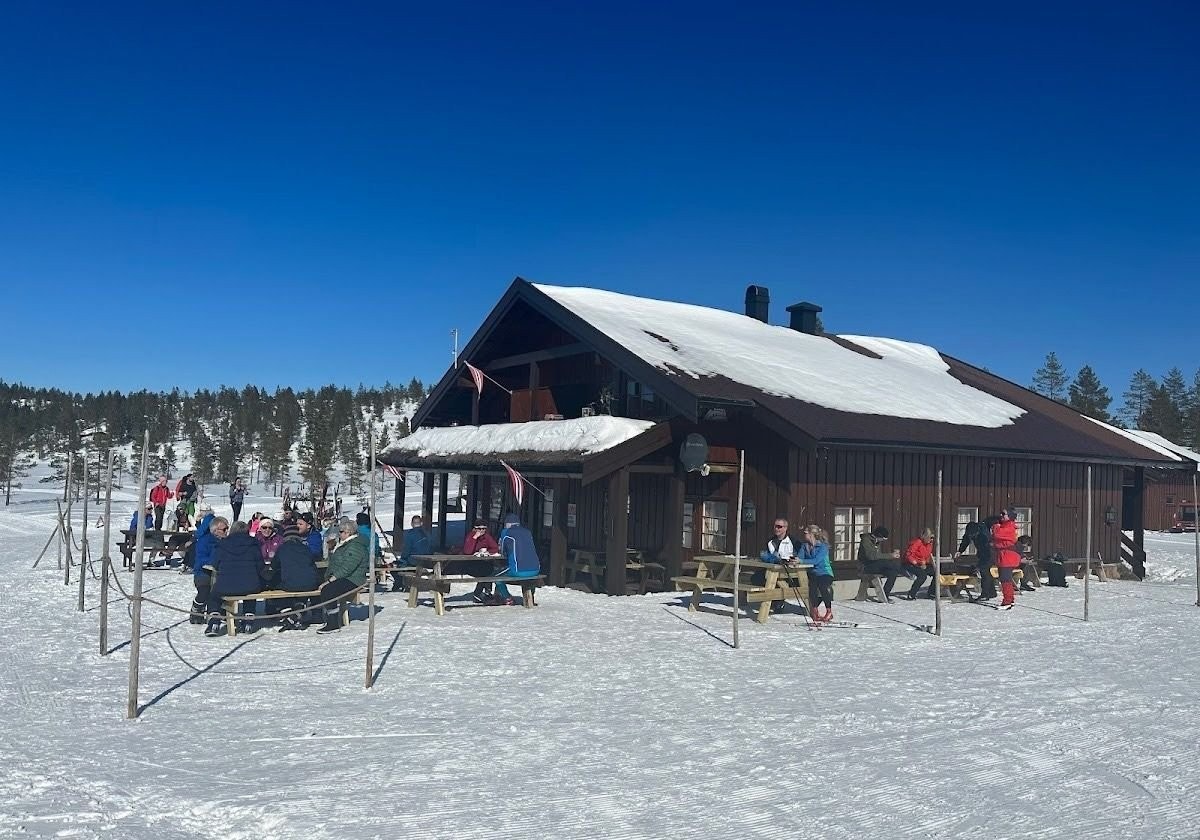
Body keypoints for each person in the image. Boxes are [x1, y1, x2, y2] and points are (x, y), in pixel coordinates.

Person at [204, 520, 266, 636]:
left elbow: (215, 564)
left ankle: (214, 622)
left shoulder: (222, 544)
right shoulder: (253, 544)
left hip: (226, 585)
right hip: (250, 584)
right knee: (250, 592)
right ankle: (248, 620)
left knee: (214, 596)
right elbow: (260, 566)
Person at [314, 518, 369, 634]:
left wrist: (331, 580)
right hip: (344, 576)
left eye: (341, 531)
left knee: (329, 590)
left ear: (348, 533)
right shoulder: (344, 544)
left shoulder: (355, 546)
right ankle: (317, 614)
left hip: (353, 579)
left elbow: (347, 568)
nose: (339, 534)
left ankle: (333, 623)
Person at [275, 518, 322, 631]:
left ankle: (287, 610)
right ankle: (304, 609)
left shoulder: (282, 549)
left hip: (291, 586)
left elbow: (275, 565)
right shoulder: (305, 548)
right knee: (304, 579)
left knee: (278, 583)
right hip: (310, 584)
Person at [492, 512, 541, 605]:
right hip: (535, 569)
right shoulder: (527, 532)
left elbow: (502, 551)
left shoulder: (506, 532)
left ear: (507, 524)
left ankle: (507, 597)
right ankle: (531, 596)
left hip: (518, 569)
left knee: (496, 577)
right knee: (530, 579)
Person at [191, 515, 227, 624]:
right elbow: (201, 558)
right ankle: (196, 609)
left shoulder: (226, 542)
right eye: (224, 529)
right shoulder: (204, 541)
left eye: (227, 529)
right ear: (216, 530)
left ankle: (220, 610)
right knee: (204, 590)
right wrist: (214, 562)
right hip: (202, 572)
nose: (226, 531)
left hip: (220, 573)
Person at [955, 521, 997, 601]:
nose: (971, 537)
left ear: (977, 531)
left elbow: (988, 548)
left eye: (973, 535)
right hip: (982, 553)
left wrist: (981, 563)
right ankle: (991, 592)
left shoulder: (984, 534)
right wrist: (960, 551)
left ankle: (985, 594)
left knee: (984, 571)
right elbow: (966, 541)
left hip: (990, 553)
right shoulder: (970, 532)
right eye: (970, 535)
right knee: (985, 572)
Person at [801, 524, 834, 622]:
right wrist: (795, 560)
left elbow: (816, 560)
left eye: (806, 533)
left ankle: (829, 611)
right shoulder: (805, 546)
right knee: (812, 589)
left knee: (822, 586)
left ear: (812, 534)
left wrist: (801, 561)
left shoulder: (823, 547)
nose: (804, 534)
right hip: (813, 573)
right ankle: (815, 611)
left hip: (825, 572)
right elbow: (800, 557)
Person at [858, 525, 902, 599]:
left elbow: (878, 556)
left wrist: (890, 557)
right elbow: (871, 556)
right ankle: (903, 570)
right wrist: (890, 555)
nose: (882, 541)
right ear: (878, 535)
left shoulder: (877, 542)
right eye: (883, 539)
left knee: (893, 573)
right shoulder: (866, 541)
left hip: (875, 565)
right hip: (865, 566)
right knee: (884, 562)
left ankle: (885, 595)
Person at [462, 519, 500, 602]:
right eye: (479, 529)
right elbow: (467, 551)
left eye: (484, 529)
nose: (482, 531)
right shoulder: (470, 536)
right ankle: (479, 593)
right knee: (486, 571)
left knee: (490, 569)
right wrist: (475, 538)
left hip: (483, 561)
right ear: (475, 529)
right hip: (469, 563)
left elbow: (495, 547)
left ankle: (487, 592)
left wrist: (487, 552)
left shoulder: (487, 537)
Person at [991, 508, 1022, 610]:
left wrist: (995, 526)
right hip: (1003, 556)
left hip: (1008, 557)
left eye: (1004, 514)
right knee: (1005, 579)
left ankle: (1007, 601)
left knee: (1005, 580)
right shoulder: (1004, 526)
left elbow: (997, 534)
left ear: (1010, 516)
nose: (1001, 515)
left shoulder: (1009, 527)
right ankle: (1010, 599)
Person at [393, 514, 432, 593]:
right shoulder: (427, 533)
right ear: (421, 523)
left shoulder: (410, 534)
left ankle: (401, 583)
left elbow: (407, 550)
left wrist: (402, 558)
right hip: (426, 560)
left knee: (395, 567)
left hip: (413, 561)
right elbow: (431, 546)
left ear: (412, 524)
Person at [901, 528, 935, 599]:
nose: (931, 539)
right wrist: (917, 563)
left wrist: (926, 562)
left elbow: (926, 556)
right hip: (909, 564)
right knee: (922, 575)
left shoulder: (929, 544)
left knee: (936, 572)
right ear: (924, 536)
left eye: (932, 537)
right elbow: (909, 555)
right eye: (929, 537)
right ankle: (911, 594)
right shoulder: (917, 542)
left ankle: (932, 592)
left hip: (922, 564)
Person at [256, 518, 283, 589]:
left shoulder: (279, 539)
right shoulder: (256, 540)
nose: (267, 530)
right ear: (260, 528)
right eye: (264, 527)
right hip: (260, 570)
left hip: (276, 569)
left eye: (270, 527)